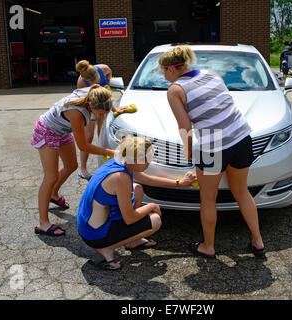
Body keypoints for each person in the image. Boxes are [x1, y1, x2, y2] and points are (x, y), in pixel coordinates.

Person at [158, 46, 266, 258]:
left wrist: (188, 150)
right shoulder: (212, 74)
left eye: (162, 71)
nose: (162, 75)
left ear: (171, 69)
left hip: (212, 147)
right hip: (242, 137)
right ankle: (258, 241)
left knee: (208, 199)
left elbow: (185, 127)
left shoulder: (175, 90)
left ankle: (208, 246)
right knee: (242, 192)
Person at [77, 136, 196, 270]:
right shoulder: (121, 178)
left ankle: (133, 240)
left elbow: (148, 179)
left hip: (89, 225)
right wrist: (151, 206)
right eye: (146, 159)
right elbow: (130, 218)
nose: (149, 162)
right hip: (95, 235)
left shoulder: (121, 159)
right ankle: (106, 248)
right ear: (136, 160)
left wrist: (179, 183)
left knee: (137, 189)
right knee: (155, 221)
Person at [31, 84, 118, 236]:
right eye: (100, 113)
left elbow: (102, 92)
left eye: (106, 112)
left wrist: (116, 109)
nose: (103, 116)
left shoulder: (96, 93)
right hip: (47, 130)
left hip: (62, 130)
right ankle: (42, 223)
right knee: (50, 177)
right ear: (91, 106)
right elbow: (83, 146)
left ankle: (53, 194)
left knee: (71, 165)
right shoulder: (77, 113)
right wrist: (110, 152)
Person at [75, 60, 121, 180]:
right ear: (85, 80)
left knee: (102, 135)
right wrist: (93, 115)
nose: (94, 82)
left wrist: (109, 80)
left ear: (97, 72)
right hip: (91, 108)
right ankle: (83, 169)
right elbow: (84, 102)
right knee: (88, 138)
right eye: (90, 81)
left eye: (96, 78)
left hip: (103, 105)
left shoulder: (104, 68)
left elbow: (109, 72)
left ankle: (105, 165)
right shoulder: (81, 82)